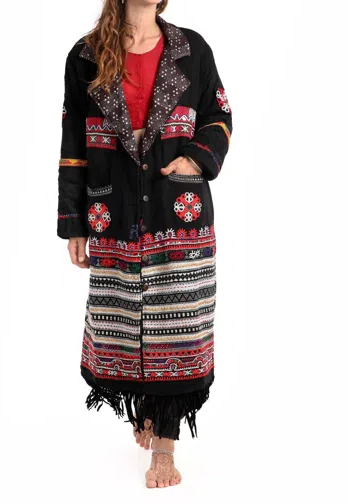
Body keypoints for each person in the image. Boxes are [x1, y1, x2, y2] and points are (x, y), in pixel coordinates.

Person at [57, 0, 232, 488]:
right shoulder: (86, 55)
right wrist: (73, 222)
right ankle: (146, 410)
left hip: (177, 208)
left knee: (178, 324)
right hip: (112, 209)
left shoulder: (191, 49)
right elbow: (72, 142)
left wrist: (196, 159)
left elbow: (218, 114)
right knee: (120, 319)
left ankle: (165, 447)